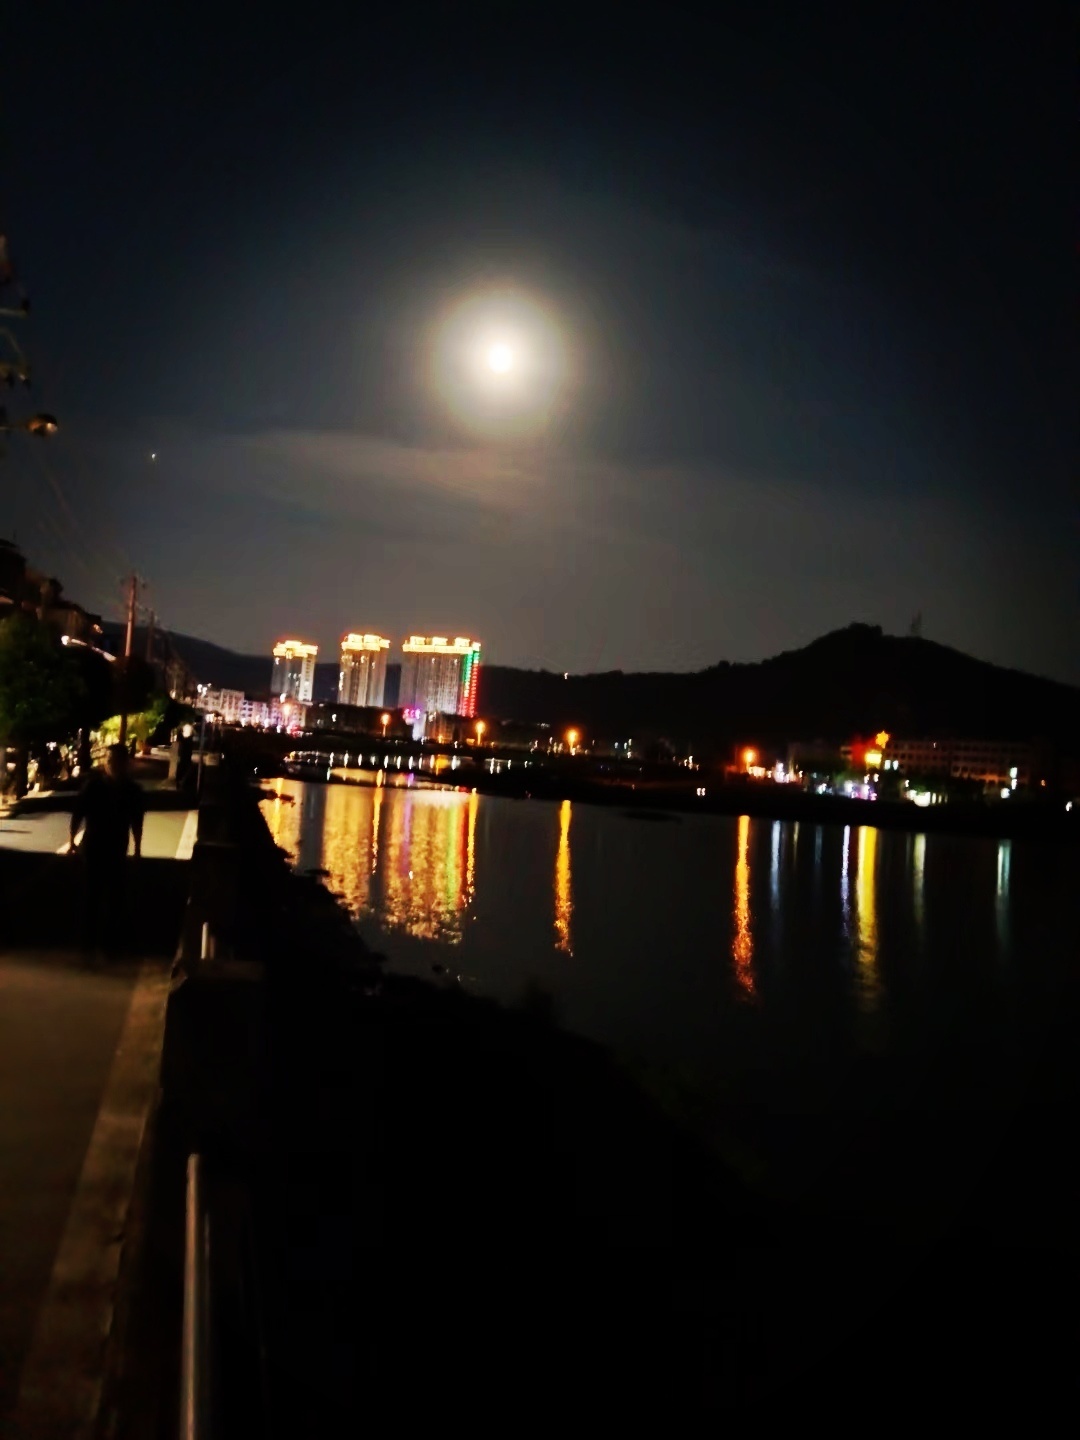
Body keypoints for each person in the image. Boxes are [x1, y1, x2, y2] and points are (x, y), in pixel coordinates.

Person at [69, 742, 145, 956]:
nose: (112, 765)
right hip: (93, 847)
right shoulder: (93, 786)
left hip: (117, 848)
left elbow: (136, 822)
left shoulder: (132, 791)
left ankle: (109, 945)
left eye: (117, 761)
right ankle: (87, 944)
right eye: (109, 760)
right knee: (91, 896)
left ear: (125, 763)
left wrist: (137, 849)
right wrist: (72, 840)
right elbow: (78, 813)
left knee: (115, 898)